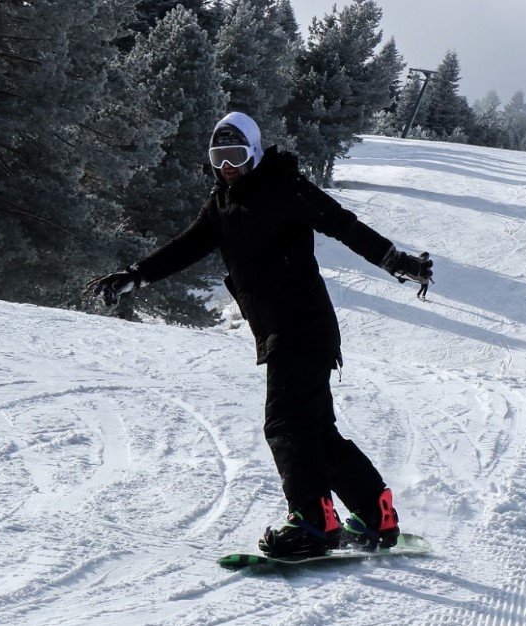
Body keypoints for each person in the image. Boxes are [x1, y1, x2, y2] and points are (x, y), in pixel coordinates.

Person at [87, 112, 433, 558]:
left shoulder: (284, 185)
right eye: (219, 156)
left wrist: (395, 260)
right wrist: (135, 275)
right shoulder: (221, 205)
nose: (228, 165)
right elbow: (185, 247)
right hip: (278, 331)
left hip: (302, 325)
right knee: (315, 431)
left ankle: (313, 520)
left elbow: (342, 223)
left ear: (253, 151)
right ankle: (374, 513)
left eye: (235, 154)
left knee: (285, 424)